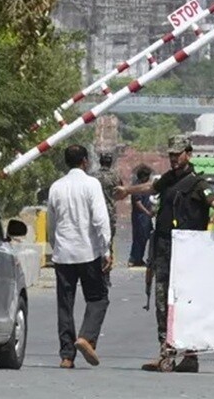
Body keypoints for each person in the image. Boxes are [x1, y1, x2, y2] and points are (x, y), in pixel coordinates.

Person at [114, 135, 214, 373]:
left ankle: (190, 355)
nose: (174, 159)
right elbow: (151, 187)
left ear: (189, 153)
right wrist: (127, 191)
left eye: (178, 154)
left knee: (187, 302)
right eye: (171, 155)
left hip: (188, 252)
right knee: (163, 301)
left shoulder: (197, 183)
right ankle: (166, 353)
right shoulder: (169, 179)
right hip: (164, 248)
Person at [47, 144, 113, 369]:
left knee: (65, 305)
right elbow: (100, 219)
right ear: (85, 161)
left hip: (63, 254)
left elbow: (51, 223)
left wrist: (55, 246)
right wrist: (106, 250)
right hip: (88, 253)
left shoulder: (56, 187)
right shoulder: (91, 184)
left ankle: (67, 355)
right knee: (98, 298)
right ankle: (86, 337)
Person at [91, 151, 123, 286]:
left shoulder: (94, 176)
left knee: (93, 242)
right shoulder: (115, 176)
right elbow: (121, 192)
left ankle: (94, 275)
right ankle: (106, 276)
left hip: (94, 213)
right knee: (108, 243)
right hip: (109, 213)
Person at [128, 167, 153, 267]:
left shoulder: (143, 186)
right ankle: (134, 258)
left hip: (145, 216)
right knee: (139, 237)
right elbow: (138, 202)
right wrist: (147, 212)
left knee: (144, 237)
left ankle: (139, 258)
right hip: (140, 216)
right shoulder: (137, 187)